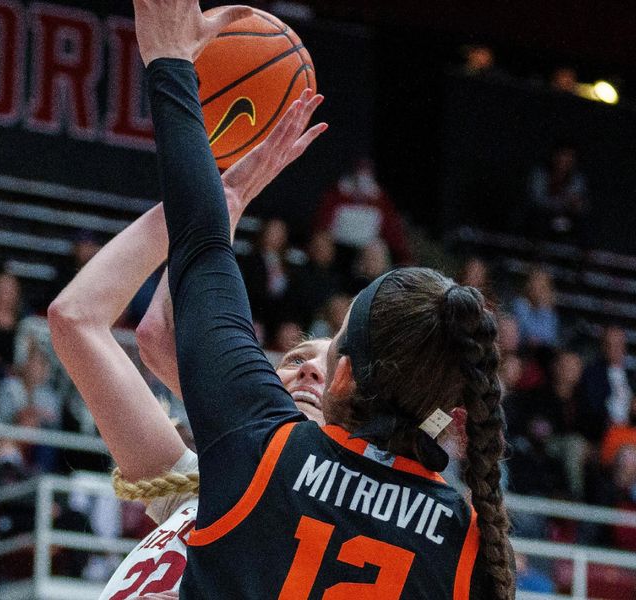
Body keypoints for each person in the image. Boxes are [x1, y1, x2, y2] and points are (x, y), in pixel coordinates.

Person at [131, 2, 513, 598]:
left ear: (341, 381)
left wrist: (169, 60)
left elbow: (203, 244)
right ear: (449, 416)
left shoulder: (263, 446)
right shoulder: (468, 551)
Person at [49, 83, 328, 599]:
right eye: (295, 359)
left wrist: (204, 205)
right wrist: (219, 203)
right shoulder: (201, 484)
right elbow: (87, 321)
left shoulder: (325, 515)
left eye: (330, 369)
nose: (310, 369)